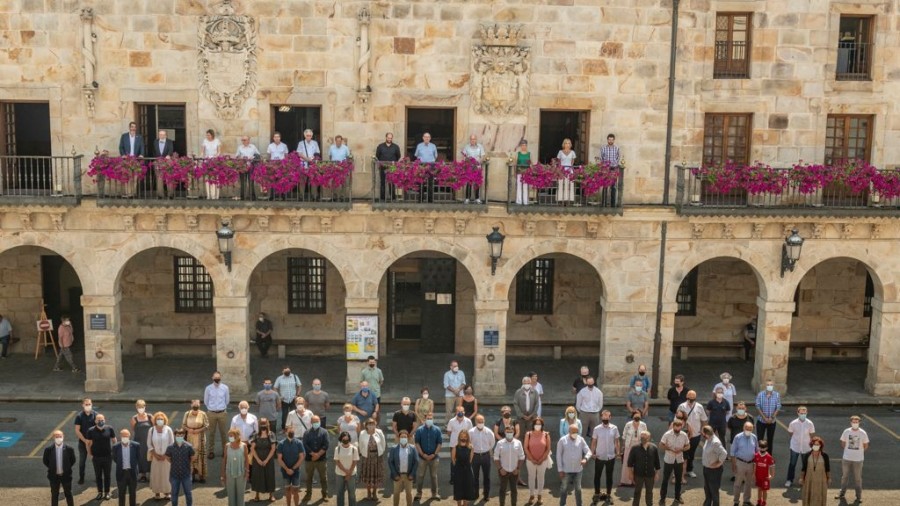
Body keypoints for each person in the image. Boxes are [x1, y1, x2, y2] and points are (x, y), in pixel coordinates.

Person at [557, 423, 592, 506]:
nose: (575, 434)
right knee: (564, 489)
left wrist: (585, 459)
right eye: (573, 432)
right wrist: (560, 470)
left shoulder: (581, 439)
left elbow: (588, 451)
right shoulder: (562, 440)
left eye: (577, 432)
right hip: (566, 470)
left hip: (578, 470)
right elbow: (558, 456)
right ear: (569, 431)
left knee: (578, 489)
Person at [590, 410, 620, 504]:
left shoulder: (614, 428)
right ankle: (597, 494)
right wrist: (592, 453)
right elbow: (594, 441)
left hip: (610, 457)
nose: (605, 418)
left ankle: (608, 495)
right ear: (601, 417)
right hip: (599, 456)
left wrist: (618, 452)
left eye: (607, 417)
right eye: (604, 416)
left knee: (609, 477)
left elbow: (617, 441)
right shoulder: (597, 429)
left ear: (610, 417)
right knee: (597, 476)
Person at [837, 415, 869, 503]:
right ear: (851, 422)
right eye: (853, 422)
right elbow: (843, 443)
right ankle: (841, 493)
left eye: (856, 422)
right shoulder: (846, 431)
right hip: (846, 458)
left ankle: (858, 497)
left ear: (859, 423)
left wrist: (859, 452)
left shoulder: (863, 433)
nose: (855, 423)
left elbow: (866, 445)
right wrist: (848, 451)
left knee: (858, 478)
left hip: (858, 460)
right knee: (844, 477)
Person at [86, 412, 116, 501]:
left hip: (107, 457)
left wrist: (114, 451)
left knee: (107, 475)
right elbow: (88, 444)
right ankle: (100, 492)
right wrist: (89, 454)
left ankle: (107, 492)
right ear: (95, 421)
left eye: (102, 420)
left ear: (105, 420)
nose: (100, 421)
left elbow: (114, 440)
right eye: (98, 420)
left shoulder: (109, 428)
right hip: (96, 457)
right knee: (98, 476)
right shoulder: (90, 430)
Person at [658, 419, 690, 505]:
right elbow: (661, 445)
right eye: (676, 428)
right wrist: (669, 449)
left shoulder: (684, 435)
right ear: (673, 426)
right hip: (669, 459)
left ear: (681, 427)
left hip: (679, 460)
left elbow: (688, 446)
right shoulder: (667, 434)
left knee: (678, 480)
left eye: (679, 428)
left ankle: (677, 497)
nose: (677, 429)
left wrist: (681, 449)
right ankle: (662, 498)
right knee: (665, 480)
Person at [677, 390, 707, 479]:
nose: (691, 399)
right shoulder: (682, 406)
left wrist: (703, 430)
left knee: (691, 453)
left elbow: (704, 420)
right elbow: (677, 419)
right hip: (683, 434)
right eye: (690, 397)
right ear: (687, 396)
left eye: (693, 397)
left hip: (695, 435)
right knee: (682, 453)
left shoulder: (699, 407)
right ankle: (680, 470)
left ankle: (689, 470)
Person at [493, 424, 525, 506]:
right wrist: (500, 469)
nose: (509, 433)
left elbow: (522, 457)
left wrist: (518, 469)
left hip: (514, 471)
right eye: (508, 432)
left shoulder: (518, 443)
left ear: (514, 432)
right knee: (502, 490)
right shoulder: (500, 443)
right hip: (503, 471)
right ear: (505, 432)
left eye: (511, 432)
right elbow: (496, 457)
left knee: (514, 490)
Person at [415, 412, 444, 500]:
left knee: (434, 476)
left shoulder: (437, 430)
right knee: (420, 475)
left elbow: (439, 443)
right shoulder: (419, 430)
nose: (429, 420)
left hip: (434, 458)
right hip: (422, 458)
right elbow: (417, 443)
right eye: (428, 418)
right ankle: (419, 493)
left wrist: (434, 454)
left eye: (431, 418)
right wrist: (422, 454)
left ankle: (435, 494)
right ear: (425, 419)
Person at [43, 429, 76, 506]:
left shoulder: (69, 449)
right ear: (53, 438)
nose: (58, 438)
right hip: (54, 476)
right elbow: (46, 461)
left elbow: (72, 461)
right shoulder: (48, 450)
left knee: (68, 493)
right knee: (54, 495)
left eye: (60, 436)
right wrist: (53, 468)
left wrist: (66, 468)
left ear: (63, 437)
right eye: (56, 437)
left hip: (66, 476)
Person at [785, 406, 815, 488]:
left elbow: (812, 435)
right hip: (795, 447)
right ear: (798, 413)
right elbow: (791, 433)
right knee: (792, 464)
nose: (803, 415)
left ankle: (804, 480)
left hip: (806, 447)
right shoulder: (793, 423)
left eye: (805, 413)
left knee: (805, 465)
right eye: (801, 413)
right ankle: (789, 480)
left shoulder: (810, 423)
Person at [627, 430, 659, 506]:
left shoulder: (654, 448)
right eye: (641, 436)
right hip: (638, 475)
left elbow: (657, 463)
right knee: (637, 492)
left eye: (644, 436)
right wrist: (630, 474)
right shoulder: (634, 448)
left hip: (650, 475)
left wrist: (657, 473)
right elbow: (630, 463)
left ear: (649, 437)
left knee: (649, 492)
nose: (643, 438)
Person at [303, 415, 330, 501]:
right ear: (311, 422)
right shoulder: (306, 432)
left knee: (323, 478)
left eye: (317, 421)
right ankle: (308, 494)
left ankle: (325, 494)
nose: (316, 423)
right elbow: (305, 445)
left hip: (321, 459)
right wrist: (312, 454)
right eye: (314, 421)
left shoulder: (324, 432)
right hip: (309, 459)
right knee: (309, 478)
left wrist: (318, 455)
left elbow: (326, 445)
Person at [166, 428, 196, 506]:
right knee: (174, 494)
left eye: (181, 435)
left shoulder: (189, 446)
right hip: (174, 474)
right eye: (178, 435)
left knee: (188, 493)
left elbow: (193, 457)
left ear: (184, 435)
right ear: (175, 435)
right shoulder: (170, 447)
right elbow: (168, 458)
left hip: (186, 474)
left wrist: (187, 464)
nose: (179, 436)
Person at [524, 417, 551, 504]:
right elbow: (525, 447)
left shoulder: (546, 434)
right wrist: (532, 459)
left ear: (542, 425)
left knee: (541, 478)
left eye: (539, 424)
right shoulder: (528, 434)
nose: (537, 425)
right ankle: (531, 495)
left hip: (542, 461)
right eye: (536, 424)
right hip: (530, 460)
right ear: (533, 425)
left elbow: (548, 448)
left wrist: (541, 459)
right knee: (531, 477)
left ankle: (539, 495)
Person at [731, 421, 758, 506]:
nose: (748, 430)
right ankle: (736, 501)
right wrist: (733, 464)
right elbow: (732, 452)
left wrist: (755, 466)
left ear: (753, 429)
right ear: (743, 428)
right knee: (738, 483)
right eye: (747, 428)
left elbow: (756, 451)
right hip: (740, 463)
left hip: (751, 463)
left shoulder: (754, 437)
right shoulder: (737, 437)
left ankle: (746, 500)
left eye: (750, 429)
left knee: (748, 483)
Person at [148, 411, 174, 500]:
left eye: (161, 419)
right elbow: (149, 444)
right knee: (156, 475)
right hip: (155, 457)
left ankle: (167, 492)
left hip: (166, 458)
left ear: (164, 420)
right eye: (158, 419)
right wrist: (155, 455)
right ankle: (157, 493)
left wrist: (166, 455)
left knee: (166, 475)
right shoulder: (151, 430)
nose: (160, 420)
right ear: (155, 420)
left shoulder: (168, 429)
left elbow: (172, 443)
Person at [181, 400, 209, 483]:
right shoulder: (187, 414)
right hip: (190, 436)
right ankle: (192, 474)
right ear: (191, 405)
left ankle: (201, 476)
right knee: (190, 454)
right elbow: (183, 425)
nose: (195, 405)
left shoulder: (203, 414)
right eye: (194, 404)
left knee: (200, 455)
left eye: (197, 404)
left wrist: (199, 430)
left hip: (200, 437)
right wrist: (189, 429)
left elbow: (207, 425)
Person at [203, 371, 230, 459]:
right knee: (211, 433)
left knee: (224, 433)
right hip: (211, 413)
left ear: (221, 378)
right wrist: (212, 408)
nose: (217, 379)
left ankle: (225, 451)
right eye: (215, 377)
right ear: (212, 378)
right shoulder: (208, 388)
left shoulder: (225, 388)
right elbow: (206, 401)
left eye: (218, 377)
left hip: (222, 413)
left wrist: (222, 408)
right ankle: (211, 451)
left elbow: (227, 400)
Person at [277, 428, 306, 506]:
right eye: (289, 430)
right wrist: (287, 469)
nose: (291, 432)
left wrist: (293, 469)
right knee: (287, 489)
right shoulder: (281, 444)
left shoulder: (299, 443)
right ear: (286, 432)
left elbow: (301, 457)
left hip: (295, 471)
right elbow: (279, 459)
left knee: (296, 490)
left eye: (292, 430)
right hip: (285, 471)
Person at [389, 430, 419, 506]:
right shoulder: (393, 448)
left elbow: (416, 462)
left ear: (408, 438)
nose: (403, 438)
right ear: (399, 438)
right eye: (401, 437)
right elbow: (390, 462)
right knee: (396, 493)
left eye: (405, 437)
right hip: (397, 475)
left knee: (409, 493)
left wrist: (412, 474)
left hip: (408, 475)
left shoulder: (412, 448)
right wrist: (395, 474)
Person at [250, 418, 277, 502]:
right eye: (261, 424)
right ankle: (257, 495)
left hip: (268, 459)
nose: (263, 426)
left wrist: (266, 460)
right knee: (257, 476)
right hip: (257, 459)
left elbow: (273, 448)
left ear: (268, 424)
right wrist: (258, 460)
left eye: (264, 424)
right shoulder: (255, 435)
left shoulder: (271, 434)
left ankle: (271, 495)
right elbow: (252, 448)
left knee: (270, 476)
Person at [468, 414, 494, 501]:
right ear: (475, 422)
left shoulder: (489, 432)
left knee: (487, 477)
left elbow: (492, 443)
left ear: (484, 421)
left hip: (486, 456)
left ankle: (486, 495)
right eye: (479, 422)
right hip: (475, 456)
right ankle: (475, 494)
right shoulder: (471, 432)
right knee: (475, 477)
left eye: (482, 421)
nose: (481, 423)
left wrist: (487, 450)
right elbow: (469, 444)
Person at [359, 418, 386, 500]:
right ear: (366, 425)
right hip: (367, 458)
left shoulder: (379, 432)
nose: (371, 426)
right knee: (367, 476)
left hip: (377, 458)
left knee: (376, 476)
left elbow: (383, 443)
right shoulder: (362, 433)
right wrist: (363, 453)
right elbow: (360, 445)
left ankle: (374, 492)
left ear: (375, 424)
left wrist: (380, 452)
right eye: (369, 424)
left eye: (372, 424)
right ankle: (368, 493)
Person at [221, 427, 250, 506]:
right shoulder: (227, 446)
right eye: (229, 436)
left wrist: (247, 472)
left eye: (231, 436)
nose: (230, 437)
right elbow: (224, 460)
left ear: (237, 436)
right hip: (229, 472)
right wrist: (223, 475)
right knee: (231, 495)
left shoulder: (244, 446)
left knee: (241, 495)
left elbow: (247, 460)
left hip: (241, 473)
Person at [701, 425, 727, 506]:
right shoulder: (708, 439)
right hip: (707, 469)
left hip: (714, 471)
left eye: (703, 432)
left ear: (706, 433)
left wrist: (717, 464)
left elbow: (724, 453)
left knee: (714, 491)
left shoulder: (715, 442)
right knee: (707, 489)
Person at [112, 428, 140, 506]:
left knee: (133, 493)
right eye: (123, 436)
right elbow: (115, 459)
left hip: (132, 473)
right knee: (121, 494)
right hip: (121, 473)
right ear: (120, 436)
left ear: (129, 436)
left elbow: (138, 457)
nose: (125, 437)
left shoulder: (136, 445)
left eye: (126, 436)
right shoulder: (115, 447)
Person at [447, 406, 474, 485]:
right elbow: (449, 432)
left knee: (465, 461)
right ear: (456, 412)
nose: (460, 412)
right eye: (458, 411)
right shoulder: (451, 421)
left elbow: (470, 433)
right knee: (453, 461)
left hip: (465, 445)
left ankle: (465, 477)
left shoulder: (468, 421)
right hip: (454, 445)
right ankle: (453, 478)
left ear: (464, 412)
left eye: (461, 411)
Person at [73, 398, 97, 485]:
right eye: (86, 404)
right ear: (83, 405)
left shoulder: (95, 415)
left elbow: (98, 428)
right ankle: (81, 478)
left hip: (93, 443)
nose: (88, 406)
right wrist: (85, 440)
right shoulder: (79, 416)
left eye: (89, 404)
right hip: (82, 443)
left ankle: (97, 477)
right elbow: (77, 430)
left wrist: (92, 440)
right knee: (82, 461)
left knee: (96, 461)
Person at [620, 412, 647, 487]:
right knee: (626, 463)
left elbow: (646, 436)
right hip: (629, 446)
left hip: (639, 446)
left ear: (641, 416)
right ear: (633, 416)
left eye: (639, 415)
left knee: (638, 464)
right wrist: (623, 447)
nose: (637, 416)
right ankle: (625, 481)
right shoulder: (628, 424)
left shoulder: (643, 425)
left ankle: (636, 481)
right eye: (636, 415)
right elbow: (624, 436)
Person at [801, 436, 829, 506]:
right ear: (811, 445)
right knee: (808, 494)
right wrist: (801, 478)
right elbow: (803, 468)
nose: (816, 446)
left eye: (817, 444)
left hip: (821, 479)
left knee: (820, 494)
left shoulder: (825, 456)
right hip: (809, 478)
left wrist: (829, 478)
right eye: (814, 444)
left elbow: (827, 468)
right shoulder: (807, 455)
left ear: (820, 446)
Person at [451, 429, 476, 506]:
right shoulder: (455, 447)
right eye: (462, 436)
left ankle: (465, 504)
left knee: (467, 488)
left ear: (467, 437)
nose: (463, 438)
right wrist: (458, 467)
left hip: (468, 471)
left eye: (465, 436)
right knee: (458, 488)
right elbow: (453, 459)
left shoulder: (471, 447)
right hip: (458, 471)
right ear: (459, 437)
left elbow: (470, 460)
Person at [335, 431, 360, 506]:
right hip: (339, 473)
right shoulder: (338, 448)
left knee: (352, 493)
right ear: (341, 439)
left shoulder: (354, 449)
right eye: (344, 439)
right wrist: (346, 472)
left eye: (347, 438)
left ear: (349, 439)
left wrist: (349, 473)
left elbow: (355, 461)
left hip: (351, 474)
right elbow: (337, 462)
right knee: (339, 493)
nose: (345, 440)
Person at [375, 132, 402, 201]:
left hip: (392, 166)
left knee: (392, 182)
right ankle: (382, 198)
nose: (389, 139)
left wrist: (393, 162)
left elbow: (398, 156)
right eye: (388, 138)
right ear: (386, 137)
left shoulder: (396, 146)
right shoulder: (380, 146)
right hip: (383, 166)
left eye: (391, 138)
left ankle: (392, 198)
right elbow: (377, 155)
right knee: (383, 182)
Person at [129, 399, 152, 482]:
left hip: (149, 441)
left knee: (150, 456)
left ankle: (151, 473)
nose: (141, 408)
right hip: (139, 441)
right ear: (136, 407)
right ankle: (143, 475)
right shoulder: (134, 418)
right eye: (139, 407)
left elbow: (155, 427)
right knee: (141, 458)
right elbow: (132, 430)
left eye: (142, 407)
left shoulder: (150, 417)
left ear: (145, 407)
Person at [755, 380, 782, 448]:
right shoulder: (760, 395)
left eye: (771, 384)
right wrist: (765, 418)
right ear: (765, 386)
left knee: (770, 439)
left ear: (773, 386)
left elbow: (778, 406)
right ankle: (759, 455)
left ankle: (769, 455)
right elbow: (758, 407)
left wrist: (772, 418)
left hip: (772, 421)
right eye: (768, 384)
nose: (769, 386)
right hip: (761, 421)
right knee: (760, 439)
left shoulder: (777, 395)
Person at [461, 134, 485, 203]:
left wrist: (478, 162)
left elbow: (482, 156)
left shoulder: (480, 146)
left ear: (476, 140)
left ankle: (477, 198)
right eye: (471, 139)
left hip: (477, 167)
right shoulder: (466, 147)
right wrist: (467, 161)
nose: (473, 140)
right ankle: (467, 198)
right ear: (470, 140)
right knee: (469, 183)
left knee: (477, 183)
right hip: (469, 167)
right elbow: (464, 156)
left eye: (474, 139)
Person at [234, 135, 260, 200]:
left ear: (248, 140)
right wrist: (241, 158)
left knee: (251, 181)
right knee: (243, 182)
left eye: (245, 140)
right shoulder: (240, 147)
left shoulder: (253, 147)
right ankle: (243, 197)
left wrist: (252, 157)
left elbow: (258, 155)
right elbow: (236, 156)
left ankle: (252, 197)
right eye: (242, 140)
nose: (243, 141)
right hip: (242, 167)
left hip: (251, 165)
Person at [514, 376, 539, 443]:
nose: (527, 385)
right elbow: (516, 404)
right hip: (521, 418)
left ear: (530, 383)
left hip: (531, 417)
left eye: (528, 383)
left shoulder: (535, 392)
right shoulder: (518, 392)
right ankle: (521, 451)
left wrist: (532, 415)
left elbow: (537, 404)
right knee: (521, 435)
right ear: (522, 383)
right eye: (525, 383)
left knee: (531, 434)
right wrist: (521, 415)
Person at [151, 129, 175, 198]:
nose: (161, 136)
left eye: (162, 134)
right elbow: (154, 151)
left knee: (169, 178)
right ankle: (160, 195)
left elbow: (171, 150)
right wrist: (156, 159)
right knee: (159, 178)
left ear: (165, 135)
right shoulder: (155, 141)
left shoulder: (169, 142)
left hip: (167, 163)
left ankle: (170, 195)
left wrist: (168, 155)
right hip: (158, 162)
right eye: (160, 134)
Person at [599, 133, 621, 206]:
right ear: (607, 140)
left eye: (612, 139)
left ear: (614, 140)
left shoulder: (617, 148)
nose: (610, 141)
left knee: (613, 186)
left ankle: (612, 204)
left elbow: (618, 157)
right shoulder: (603, 148)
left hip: (613, 169)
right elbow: (601, 157)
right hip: (605, 169)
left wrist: (615, 165)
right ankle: (604, 203)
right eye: (609, 139)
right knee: (605, 186)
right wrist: (604, 166)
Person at [201, 129, 222, 199]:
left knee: (215, 178)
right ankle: (209, 195)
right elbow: (202, 151)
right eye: (207, 135)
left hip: (215, 161)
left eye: (209, 135)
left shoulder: (217, 141)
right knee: (208, 178)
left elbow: (219, 151)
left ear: (212, 135)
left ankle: (215, 195)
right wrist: (202, 157)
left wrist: (215, 157)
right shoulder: (204, 141)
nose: (207, 136)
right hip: (207, 161)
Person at [753, 440, 775, 506]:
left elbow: (772, 466)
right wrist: (753, 474)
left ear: (767, 448)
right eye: (761, 447)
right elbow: (754, 466)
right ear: (758, 447)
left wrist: (772, 475)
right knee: (759, 489)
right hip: (758, 476)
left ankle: (764, 502)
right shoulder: (756, 455)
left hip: (765, 477)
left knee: (764, 490)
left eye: (764, 447)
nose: (762, 449)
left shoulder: (769, 457)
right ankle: (759, 501)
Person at [556, 138, 576, 203]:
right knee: (561, 184)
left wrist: (570, 168)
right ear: (564, 144)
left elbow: (572, 162)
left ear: (570, 145)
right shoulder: (560, 152)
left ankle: (569, 199)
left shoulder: (572, 152)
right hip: (562, 170)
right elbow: (558, 162)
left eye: (568, 143)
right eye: (566, 143)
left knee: (569, 184)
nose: (567, 144)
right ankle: (560, 199)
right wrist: (560, 170)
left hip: (570, 170)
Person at [514, 139, 532, 205]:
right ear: (520, 146)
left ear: (526, 146)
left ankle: (525, 201)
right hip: (519, 172)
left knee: (525, 186)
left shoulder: (529, 154)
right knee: (519, 186)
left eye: (525, 145)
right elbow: (515, 163)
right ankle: (519, 201)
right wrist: (514, 172)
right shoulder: (518, 154)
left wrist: (531, 170)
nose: (523, 146)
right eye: (522, 145)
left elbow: (531, 163)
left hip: (526, 173)